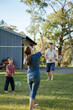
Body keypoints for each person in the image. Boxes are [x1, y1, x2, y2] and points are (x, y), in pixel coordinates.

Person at [24, 33, 44, 110]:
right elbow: (42, 47)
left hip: (29, 76)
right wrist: (41, 38)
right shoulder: (35, 56)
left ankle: (32, 105)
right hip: (36, 76)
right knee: (33, 93)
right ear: (31, 50)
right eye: (31, 47)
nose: (32, 47)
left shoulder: (26, 58)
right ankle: (30, 109)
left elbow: (25, 62)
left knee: (32, 92)